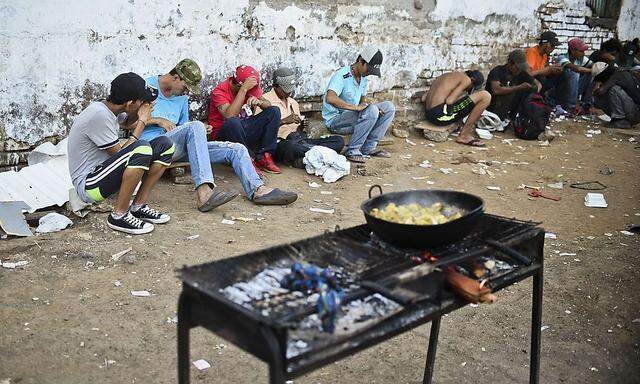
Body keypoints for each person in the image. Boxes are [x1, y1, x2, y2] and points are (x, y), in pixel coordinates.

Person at [140, 59, 298, 207]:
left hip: (178, 148)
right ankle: (205, 193)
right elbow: (125, 122)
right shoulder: (147, 86)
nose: (186, 92)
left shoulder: (181, 98)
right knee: (196, 126)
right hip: (154, 145)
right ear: (175, 78)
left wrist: (201, 128)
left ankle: (258, 190)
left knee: (236, 149)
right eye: (185, 87)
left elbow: (182, 127)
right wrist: (158, 120)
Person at [67, 73, 173, 235]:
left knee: (165, 145)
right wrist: (143, 121)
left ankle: (138, 207)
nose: (143, 104)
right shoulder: (99, 115)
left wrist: (139, 113)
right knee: (141, 149)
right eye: (140, 101)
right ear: (130, 103)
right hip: (89, 186)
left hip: (103, 174)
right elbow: (121, 154)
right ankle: (119, 215)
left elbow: (126, 121)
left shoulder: (110, 109)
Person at [322, 47, 396, 163]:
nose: (368, 73)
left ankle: (368, 148)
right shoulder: (342, 75)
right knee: (372, 110)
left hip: (352, 118)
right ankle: (353, 150)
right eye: (368, 70)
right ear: (361, 61)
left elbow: (363, 102)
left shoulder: (363, 78)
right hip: (335, 121)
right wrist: (356, 108)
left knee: (388, 107)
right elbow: (330, 98)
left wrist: (369, 107)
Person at [259, 67, 344, 167]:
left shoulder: (293, 102)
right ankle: (317, 155)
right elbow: (260, 130)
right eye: (285, 90)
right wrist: (284, 121)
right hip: (280, 143)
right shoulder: (264, 101)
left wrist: (302, 126)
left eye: (290, 90)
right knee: (291, 147)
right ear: (275, 86)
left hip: (300, 141)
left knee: (338, 141)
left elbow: (298, 130)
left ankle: (307, 157)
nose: (288, 93)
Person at [208, 65, 282, 174]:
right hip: (224, 136)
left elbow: (268, 104)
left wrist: (260, 102)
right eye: (249, 89)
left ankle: (264, 156)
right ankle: (247, 160)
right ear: (238, 84)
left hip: (243, 131)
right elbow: (230, 116)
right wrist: (243, 90)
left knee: (274, 111)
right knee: (233, 122)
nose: (251, 91)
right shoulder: (219, 92)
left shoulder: (249, 88)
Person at [421, 70, 491, 147]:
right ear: (472, 80)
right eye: (471, 87)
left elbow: (423, 98)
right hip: (439, 116)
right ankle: (464, 136)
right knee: (486, 96)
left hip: (429, 115)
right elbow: (449, 101)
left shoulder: (444, 76)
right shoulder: (466, 79)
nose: (467, 90)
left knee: (460, 105)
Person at [486, 50, 540, 121]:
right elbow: (496, 90)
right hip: (493, 106)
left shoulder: (520, 73)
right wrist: (519, 87)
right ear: (510, 63)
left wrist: (534, 91)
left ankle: (515, 117)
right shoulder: (497, 71)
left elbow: (538, 84)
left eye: (521, 68)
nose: (519, 70)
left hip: (509, 107)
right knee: (511, 92)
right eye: (517, 68)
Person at [555, 38, 594, 115]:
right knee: (574, 73)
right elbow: (576, 69)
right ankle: (571, 106)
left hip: (573, 89)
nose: (583, 53)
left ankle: (585, 105)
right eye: (581, 51)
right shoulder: (562, 58)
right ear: (573, 51)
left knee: (591, 75)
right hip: (561, 91)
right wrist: (592, 70)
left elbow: (594, 66)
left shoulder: (581, 59)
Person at [593, 64, 640, 129]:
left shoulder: (618, 75)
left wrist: (596, 88)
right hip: (634, 111)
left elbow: (601, 91)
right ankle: (621, 120)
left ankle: (620, 120)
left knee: (613, 89)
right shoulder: (622, 71)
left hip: (635, 112)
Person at [525, 31, 564, 98]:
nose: (553, 48)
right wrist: (547, 69)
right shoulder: (532, 52)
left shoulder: (545, 55)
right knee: (542, 78)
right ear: (545, 44)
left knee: (562, 76)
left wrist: (552, 70)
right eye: (552, 46)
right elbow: (528, 74)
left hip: (539, 78)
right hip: (531, 79)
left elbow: (543, 70)